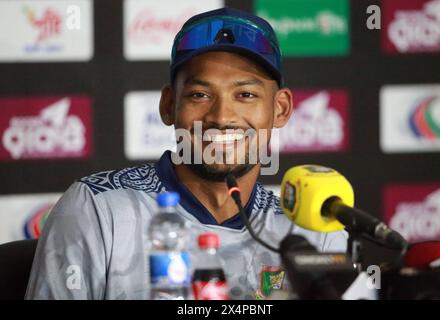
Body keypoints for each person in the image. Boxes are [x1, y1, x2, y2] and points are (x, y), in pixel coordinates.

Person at [25, 7, 347, 300]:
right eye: (200, 94)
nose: (222, 117)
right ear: (169, 106)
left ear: (281, 109)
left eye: (245, 94)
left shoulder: (312, 234)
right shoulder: (97, 209)